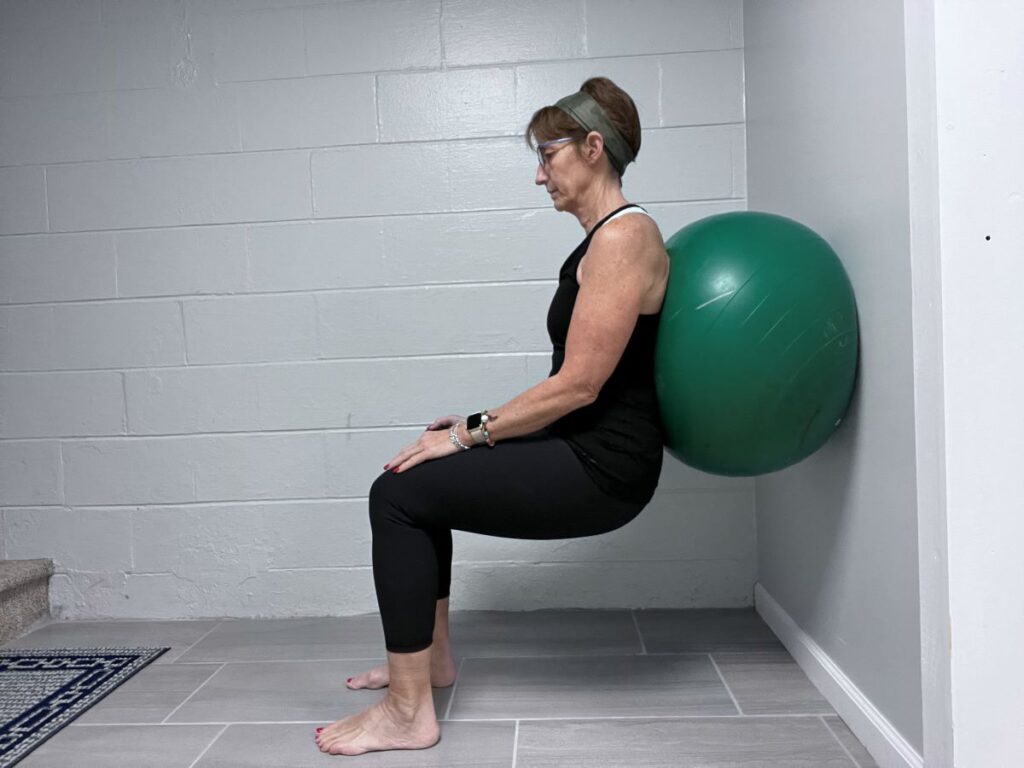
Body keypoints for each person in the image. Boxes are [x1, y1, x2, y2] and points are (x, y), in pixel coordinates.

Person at [315, 76, 670, 756]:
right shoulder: (602, 240)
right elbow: (575, 387)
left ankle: (408, 710)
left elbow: (580, 386)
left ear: (594, 148)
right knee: (425, 473)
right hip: (585, 446)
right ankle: (431, 664)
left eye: (550, 154)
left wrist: (467, 433)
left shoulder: (624, 239)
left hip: (605, 468)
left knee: (397, 494)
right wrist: (471, 430)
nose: (540, 175)